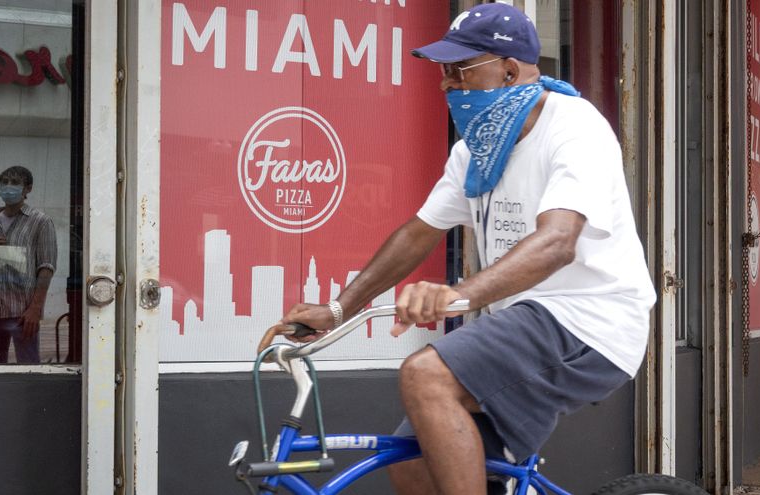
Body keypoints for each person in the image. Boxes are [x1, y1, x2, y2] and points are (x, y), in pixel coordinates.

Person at [268, 3, 656, 494]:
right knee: (413, 463)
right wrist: (339, 308)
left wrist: (457, 294)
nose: (446, 84)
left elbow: (558, 242)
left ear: (509, 71)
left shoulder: (575, 128)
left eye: (460, 70)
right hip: (528, 321)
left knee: (426, 374)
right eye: (443, 71)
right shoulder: (478, 147)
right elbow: (421, 231)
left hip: (588, 320)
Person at [0, 166, 57, 364]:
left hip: (22, 313)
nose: (8, 187)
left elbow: (46, 267)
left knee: (28, 369)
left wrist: (35, 309)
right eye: (5, 182)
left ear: (27, 189)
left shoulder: (41, 222)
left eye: (15, 183)